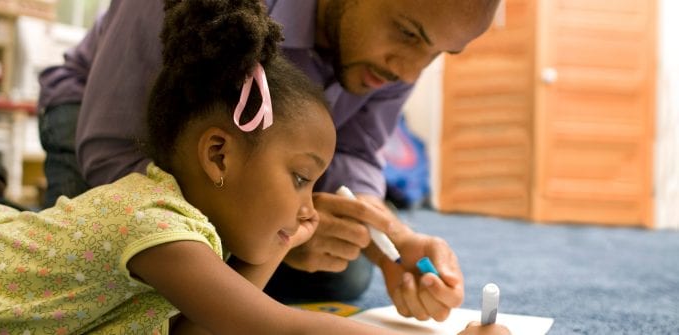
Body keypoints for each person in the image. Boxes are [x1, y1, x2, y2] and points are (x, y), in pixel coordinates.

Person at [38, 0, 501, 320]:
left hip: (245, 166)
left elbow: (356, 153)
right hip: (110, 122)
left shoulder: (398, 55)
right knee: (106, 282)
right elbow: (109, 148)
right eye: (407, 33)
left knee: (344, 274)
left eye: (438, 52)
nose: (409, 72)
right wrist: (268, 230)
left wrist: (389, 239)